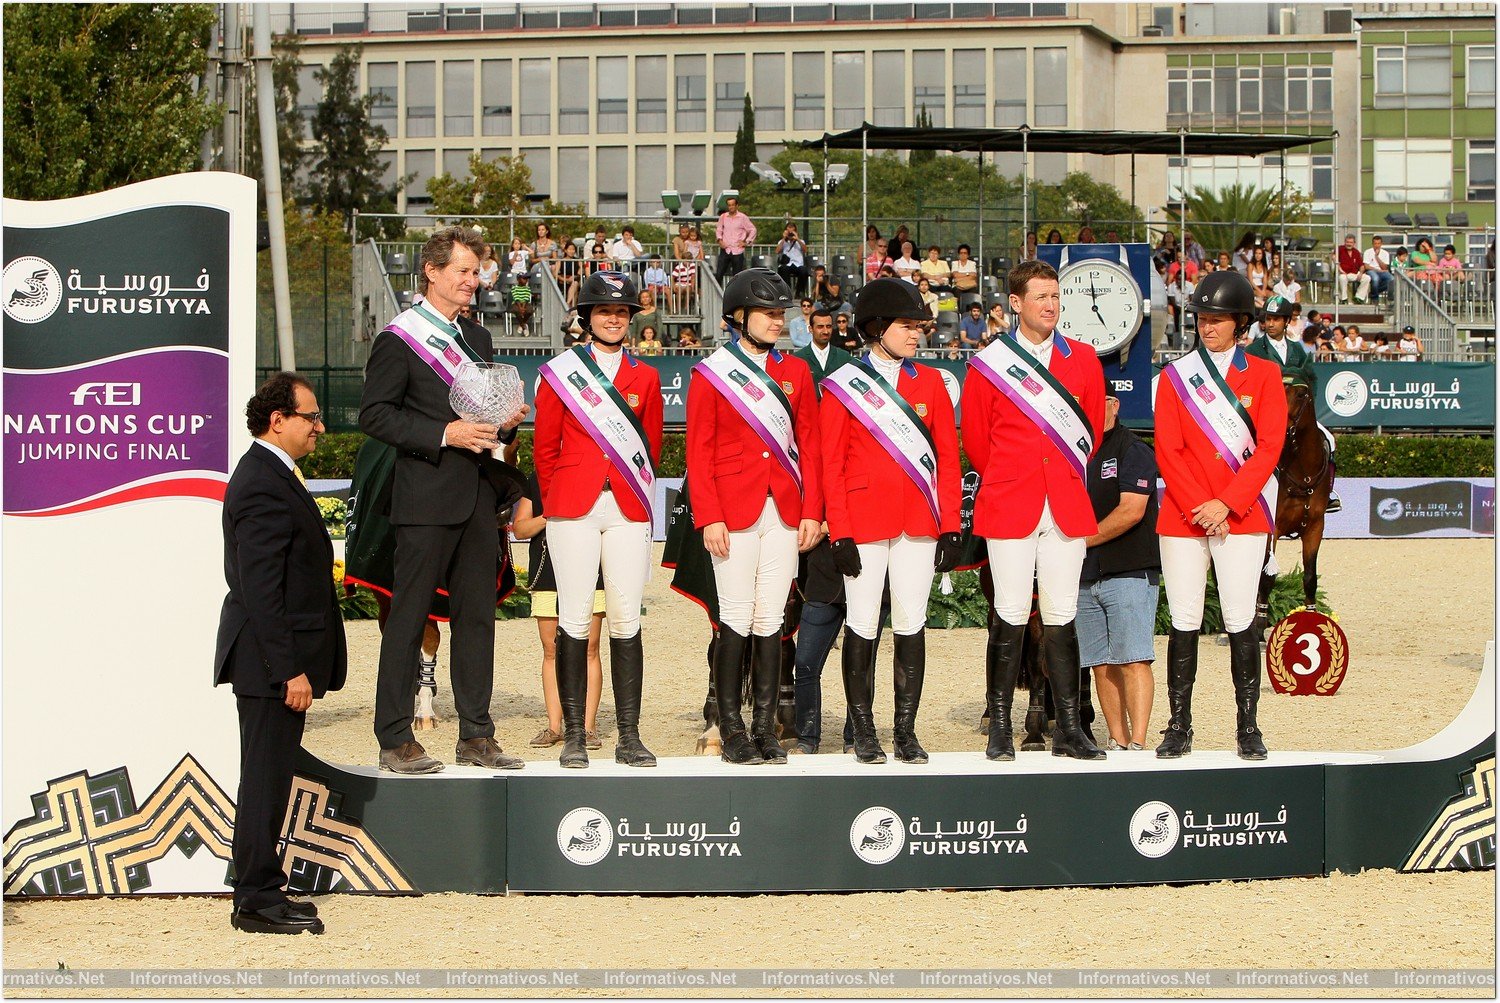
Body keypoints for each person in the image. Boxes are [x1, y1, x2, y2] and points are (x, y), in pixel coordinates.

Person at [359, 226, 528, 775]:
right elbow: (375, 415)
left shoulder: (477, 340)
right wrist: (443, 433)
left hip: (478, 495)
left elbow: (486, 422)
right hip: (425, 494)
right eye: (462, 271)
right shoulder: (399, 338)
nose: (472, 282)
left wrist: (504, 427)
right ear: (431, 272)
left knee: (477, 619)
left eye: (476, 273)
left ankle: (477, 735)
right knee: (407, 619)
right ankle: (395, 737)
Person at [961, 258, 1107, 763]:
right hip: (1010, 502)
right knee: (1009, 612)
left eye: (1055, 296)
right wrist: (1015, 475)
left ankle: (1068, 727)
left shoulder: (1084, 359)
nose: (1051, 305)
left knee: (1064, 615)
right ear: (1016, 304)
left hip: (1064, 502)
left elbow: (1089, 435)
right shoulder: (987, 363)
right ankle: (1000, 726)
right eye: (1041, 296)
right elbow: (978, 440)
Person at [217, 373, 345, 935]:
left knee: (267, 776)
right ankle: (256, 899)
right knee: (265, 778)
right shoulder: (262, 482)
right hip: (270, 663)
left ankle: (259, 884)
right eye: (310, 417)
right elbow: (261, 587)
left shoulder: (273, 475)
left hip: (272, 658)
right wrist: (287, 668)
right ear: (278, 420)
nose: (319, 427)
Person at [820, 278, 963, 764]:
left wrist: (948, 524)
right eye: (907, 326)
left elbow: (947, 456)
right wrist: (838, 531)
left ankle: (905, 730)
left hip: (919, 521)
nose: (917, 334)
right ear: (878, 328)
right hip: (862, 522)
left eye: (919, 327)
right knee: (862, 625)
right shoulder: (843, 384)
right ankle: (863, 730)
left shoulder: (931, 384)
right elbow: (831, 463)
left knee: (910, 623)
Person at [687, 269, 824, 764]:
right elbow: (698, 453)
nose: (777, 322)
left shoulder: (797, 372)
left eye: (780, 314)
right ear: (738, 318)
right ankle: (731, 730)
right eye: (767, 314)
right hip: (732, 509)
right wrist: (709, 517)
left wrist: (813, 510)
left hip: (785, 509)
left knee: (771, 618)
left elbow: (809, 446)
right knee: (735, 618)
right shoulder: (711, 373)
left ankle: (765, 729)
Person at [1154, 270, 1287, 761]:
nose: (1207, 327)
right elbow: (1168, 449)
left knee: (1239, 619)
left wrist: (1227, 504)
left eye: (1217, 319)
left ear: (1240, 323)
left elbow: (1269, 447)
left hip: (1241, 514)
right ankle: (1178, 725)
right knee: (1184, 619)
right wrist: (1204, 507)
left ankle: (1247, 726)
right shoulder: (1174, 377)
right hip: (1186, 514)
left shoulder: (1266, 376)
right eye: (1202, 319)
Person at [533, 270, 663, 768]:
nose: (614, 319)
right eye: (605, 311)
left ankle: (629, 735)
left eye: (623, 312)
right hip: (573, 507)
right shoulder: (560, 371)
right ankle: (574, 736)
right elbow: (545, 448)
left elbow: (650, 445)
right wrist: (561, 499)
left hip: (627, 505)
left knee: (627, 618)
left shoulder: (646, 376)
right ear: (586, 317)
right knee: (574, 618)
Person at [1077, 394, 1160, 753]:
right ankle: (1117, 738)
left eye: (1104, 399)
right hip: (1085, 574)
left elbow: (1132, 511)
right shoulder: (1079, 449)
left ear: (1114, 405)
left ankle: (1139, 739)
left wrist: (1081, 541)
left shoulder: (1134, 449)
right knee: (1100, 664)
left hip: (1128, 569)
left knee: (1133, 658)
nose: (1097, 406)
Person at [512, 472, 606, 751]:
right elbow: (519, 529)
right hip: (547, 574)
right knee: (551, 650)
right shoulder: (538, 478)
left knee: (590, 648)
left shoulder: (596, 475)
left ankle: (588, 727)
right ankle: (554, 726)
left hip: (591, 572)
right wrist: (550, 515)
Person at [715, 196, 756, 281]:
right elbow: (719, 229)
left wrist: (746, 242)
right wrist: (720, 240)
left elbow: (752, 229)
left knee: (737, 276)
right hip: (725, 248)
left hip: (737, 249)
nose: (731, 207)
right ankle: (717, 294)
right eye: (729, 205)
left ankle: (736, 294)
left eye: (733, 205)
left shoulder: (742, 217)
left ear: (737, 206)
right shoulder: (723, 217)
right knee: (719, 274)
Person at [776, 223, 809, 296]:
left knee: (804, 271)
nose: (790, 235)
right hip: (787, 264)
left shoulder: (801, 242)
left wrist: (797, 239)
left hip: (798, 264)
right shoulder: (782, 242)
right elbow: (777, 251)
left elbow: (805, 250)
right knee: (783, 269)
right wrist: (784, 238)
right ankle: (787, 291)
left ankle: (799, 291)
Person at [1336, 234, 1370, 304]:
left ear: (1354, 243)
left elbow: (1361, 265)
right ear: (1345, 242)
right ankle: (1344, 299)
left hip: (1354, 273)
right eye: (1347, 242)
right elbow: (1334, 258)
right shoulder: (1340, 249)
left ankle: (1359, 297)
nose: (1349, 244)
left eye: (1351, 242)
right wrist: (1340, 270)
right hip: (1343, 273)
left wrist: (1361, 273)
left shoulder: (1356, 252)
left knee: (1367, 278)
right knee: (1342, 278)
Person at [1363, 235, 1392, 300]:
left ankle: (1374, 292)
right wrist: (1377, 270)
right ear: (1372, 244)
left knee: (1392, 279)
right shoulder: (1367, 252)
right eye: (1375, 243)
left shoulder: (1385, 253)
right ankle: (1375, 299)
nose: (1377, 245)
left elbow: (1385, 268)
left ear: (1381, 244)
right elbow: (1366, 266)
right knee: (1375, 279)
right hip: (1371, 271)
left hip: (1382, 271)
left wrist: (1377, 257)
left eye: (1379, 243)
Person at [555, 241, 582, 309]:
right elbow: (555, 274)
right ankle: (570, 307)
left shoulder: (578, 261)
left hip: (574, 281)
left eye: (573, 249)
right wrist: (566, 280)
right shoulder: (560, 261)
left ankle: (567, 304)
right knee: (574, 292)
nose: (571, 251)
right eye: (570, 249)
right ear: (566, 250)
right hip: (562, 281)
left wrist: (574, 277)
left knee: (575, 284)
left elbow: (580, 271)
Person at [509, 269, 534, 334]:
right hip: (516, 304)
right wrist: (520, 308)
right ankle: (524, 327)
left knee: (529, 310)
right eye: (524, 279)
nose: (526, 280)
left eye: (526, 279)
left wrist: (523, 307)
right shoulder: (514, 288)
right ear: (518, 279)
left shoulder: (527, 288)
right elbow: (516, 297)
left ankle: (521, 324)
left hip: (525, 304)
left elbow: (526, 298)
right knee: (516, 310)